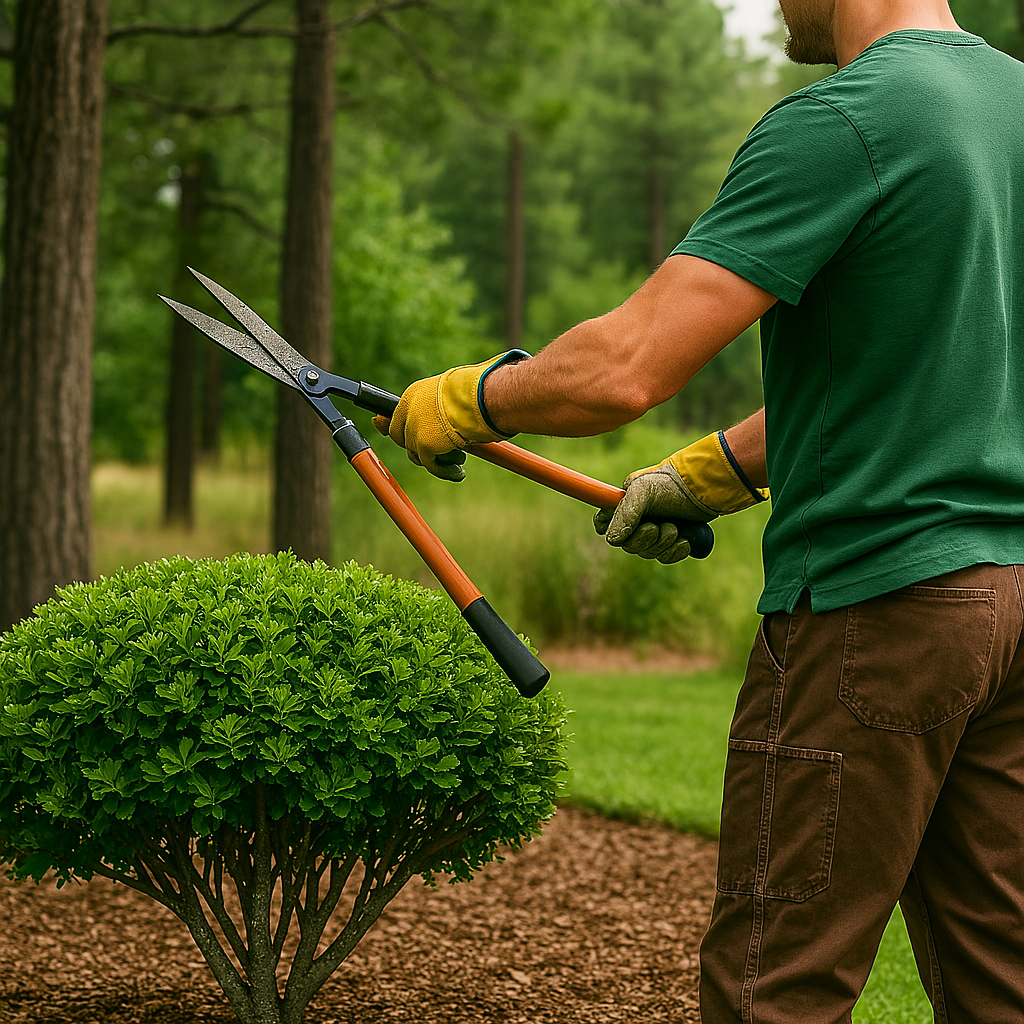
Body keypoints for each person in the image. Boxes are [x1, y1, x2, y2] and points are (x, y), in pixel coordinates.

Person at [376, 0, 1024, 1017]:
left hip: (875, 608)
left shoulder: (844, 121)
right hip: (1014, 613)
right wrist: (721, 467)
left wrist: (468, 400)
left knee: (777, 985)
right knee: (1002, 984)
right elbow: (940, 363)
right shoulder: (1015, 108)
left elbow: (625, 367)